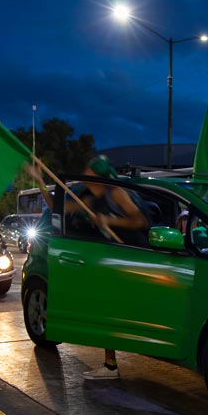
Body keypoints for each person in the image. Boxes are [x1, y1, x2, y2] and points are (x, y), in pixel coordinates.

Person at [41, 155, 151, 379]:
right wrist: (40, 182)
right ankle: (110, 365)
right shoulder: (91, 200)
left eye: (89, 170)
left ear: (98, 175)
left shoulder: (116, 193)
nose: (85, 172)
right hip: (110, 259)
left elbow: (140, 221)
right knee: (106, 307)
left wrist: (110, 221)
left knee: (124, 308)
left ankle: (130, 355)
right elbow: (58, 206)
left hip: (133, 258)